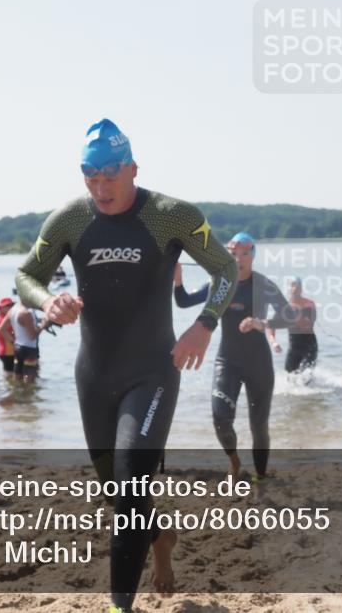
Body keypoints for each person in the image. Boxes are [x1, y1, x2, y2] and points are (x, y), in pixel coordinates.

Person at [15, 118, 237, 613]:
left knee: (132, 490)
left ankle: (119, 606)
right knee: (119, 496)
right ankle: (160, 540)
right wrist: (49, 301)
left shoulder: (169, 215)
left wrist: (204, 324)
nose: (100, 189)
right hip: (94, 376)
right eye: (90, 179)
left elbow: (224, 268)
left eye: (109, 178)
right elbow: (27, 274)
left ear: (133, 168)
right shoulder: (71, 219)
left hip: (151, 374)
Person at [173, 233, 297, 480]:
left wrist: (262, 323)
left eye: (244, 253)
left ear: (252, 256)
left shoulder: (263, 285)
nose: (238, 258)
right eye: (233, 253)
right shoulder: (219, 284)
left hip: (258, 363)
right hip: (227, 361)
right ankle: (234, 460)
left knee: (258, 426)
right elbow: (183, 301)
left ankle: (261, 476)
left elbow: (290, 316)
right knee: (220, 419)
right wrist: (178, 280)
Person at [282, 277, 318, 375]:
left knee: (306, 374)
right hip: (293, 346)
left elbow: (308, 324)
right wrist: (273, 342)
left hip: (309, 346)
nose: (294, 288)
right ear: (288, 288)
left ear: (301, 288)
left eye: (296, 286)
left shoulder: (309, 304)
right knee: (288, 375)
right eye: (292, 285)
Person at [10, 300, 48, 381]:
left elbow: (2, 328)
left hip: (18, 347)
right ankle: (27, 392)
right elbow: (32, 335)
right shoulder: (26, 313)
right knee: (29, 381)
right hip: (29, 349)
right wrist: (44, 324)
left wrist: (12, 340)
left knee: (17, 378)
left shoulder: (13, 309)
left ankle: (17, 392)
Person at [0, 297, 17, 376]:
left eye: (12, 305)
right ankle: (7, 387)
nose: (11, 307)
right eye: (8, 306)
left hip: (6, 351)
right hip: (7, 351)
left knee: (10, 374)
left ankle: (8, 387)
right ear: (1, 308)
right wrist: (13, 342)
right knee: (9, 374)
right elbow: (2, 330)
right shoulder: (2, 319)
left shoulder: (3, 317)